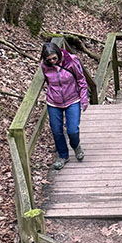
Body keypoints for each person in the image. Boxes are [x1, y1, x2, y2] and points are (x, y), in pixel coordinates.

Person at [40, 41, 89, 170]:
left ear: (59, 54)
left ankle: (76, 145)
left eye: (54, 58)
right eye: (49, 60)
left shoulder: (71, 61)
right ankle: (63, 156)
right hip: (53, 101)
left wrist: (84, 99)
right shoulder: (44, 66)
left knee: (72, 130)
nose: (52, 62)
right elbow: (47, 81)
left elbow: (81, 80)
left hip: (72, 98)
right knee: (56, 130)